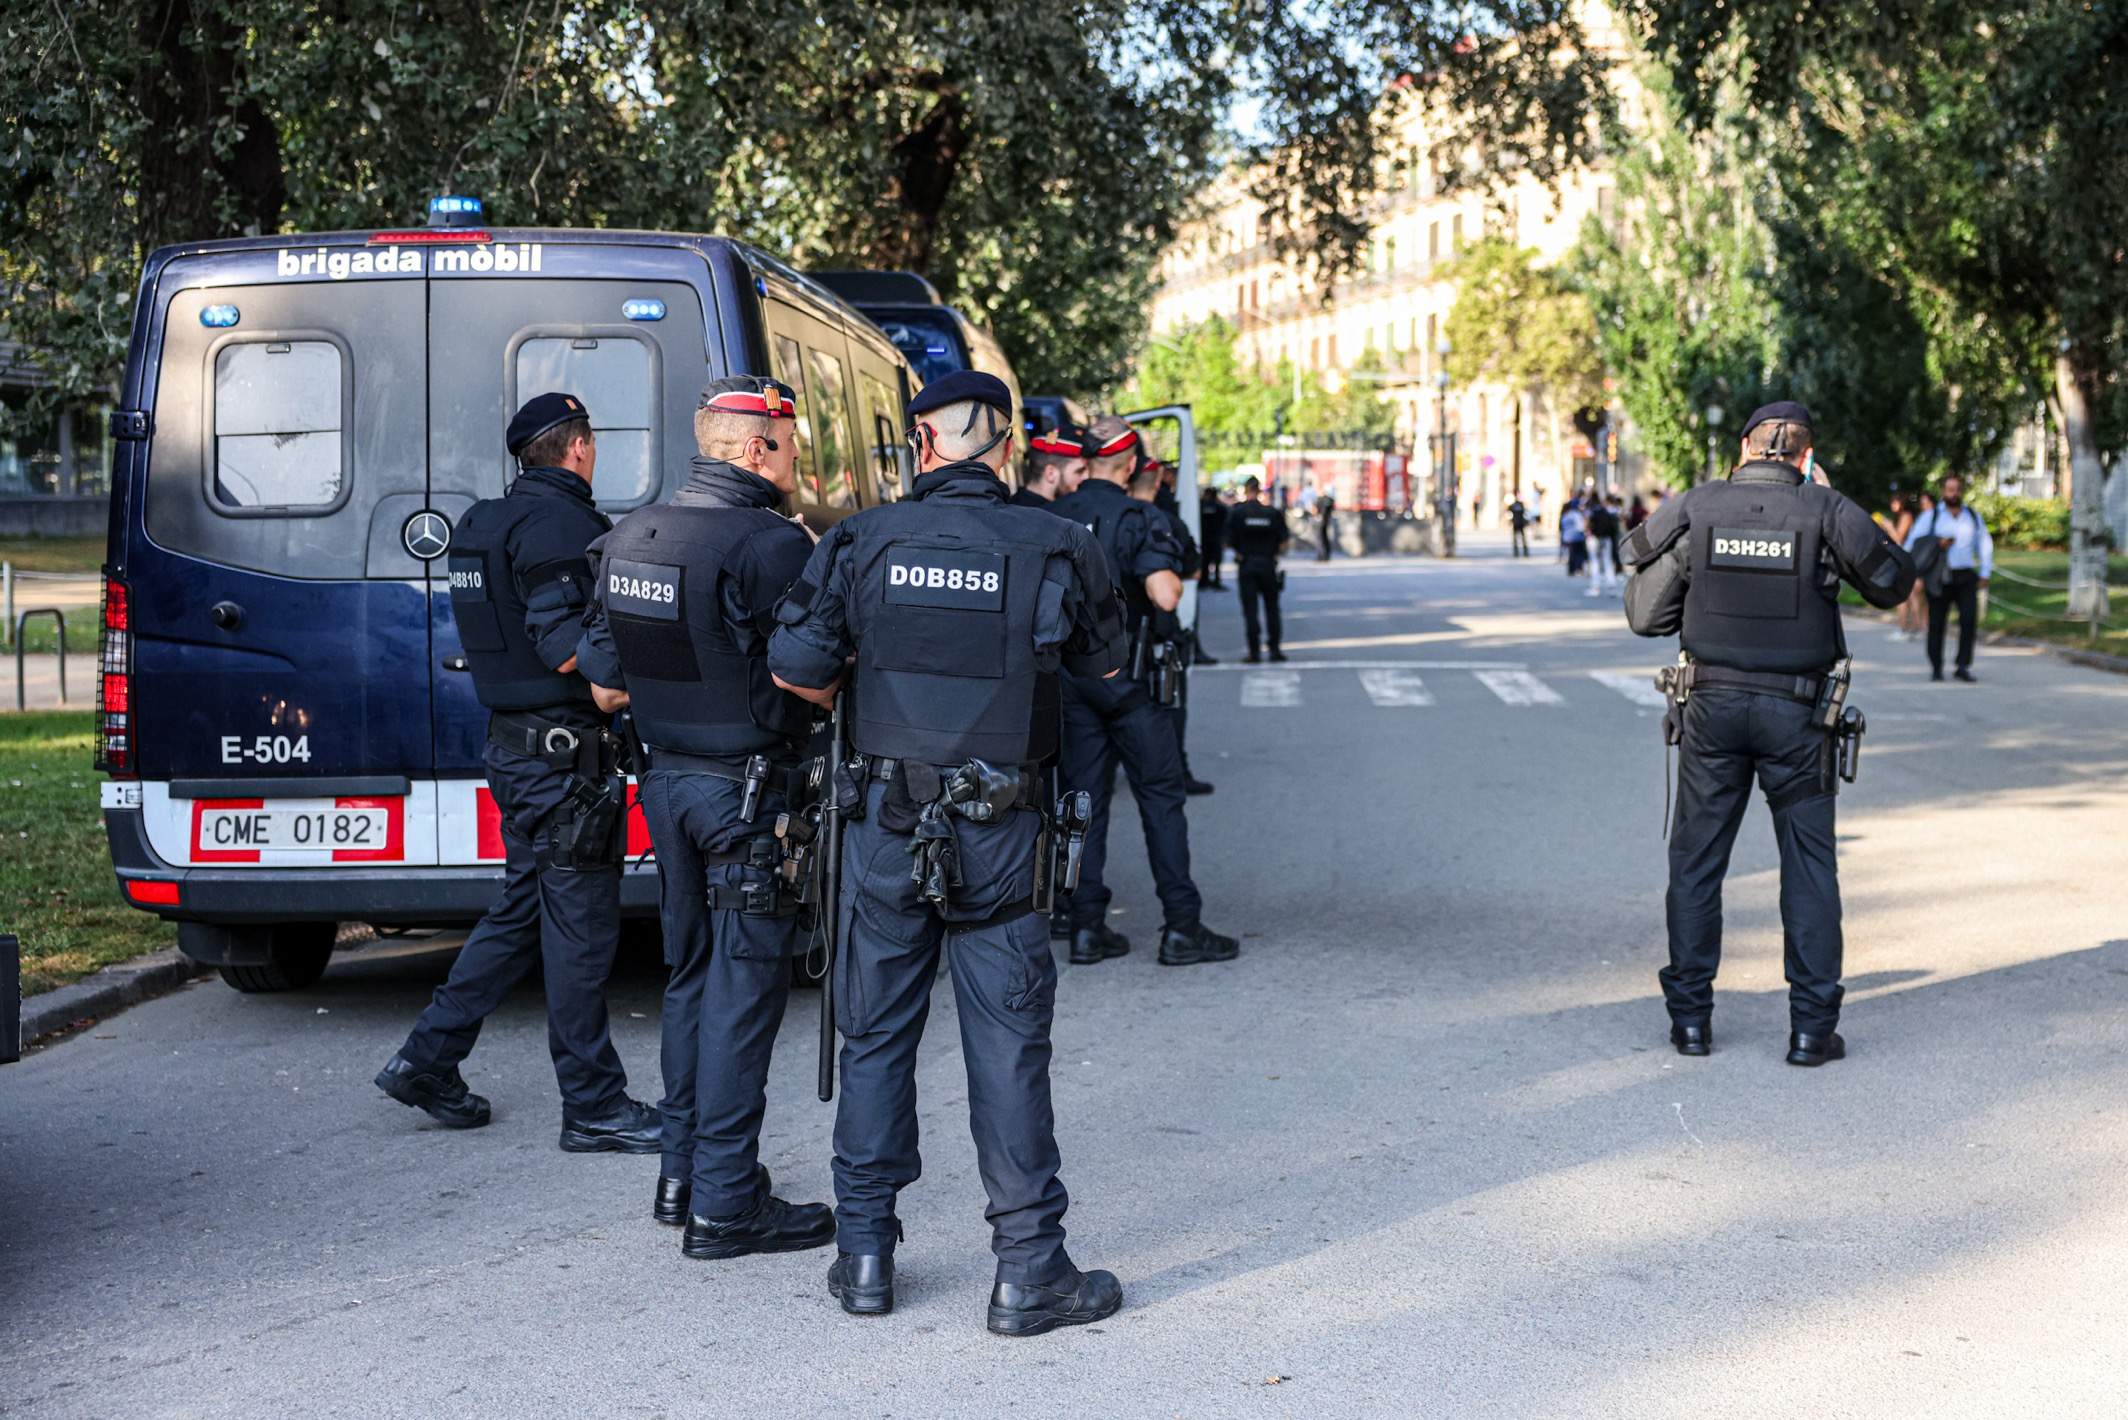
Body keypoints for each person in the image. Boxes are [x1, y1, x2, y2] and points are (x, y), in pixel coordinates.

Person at [767, 370, 1129, 1335]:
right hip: (1005, 833)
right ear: (1005, 448)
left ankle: (866, 1256)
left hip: (883, 828)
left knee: (875, 1036)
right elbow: (1107, 670)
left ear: (921, 447)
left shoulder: (859, 540)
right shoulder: (1059, 544)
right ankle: (1028, 1273)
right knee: (1008, 1048)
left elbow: (795, 676)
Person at [574, 376, 836, 1257]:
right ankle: (728, 1203)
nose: (795, 460)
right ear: (757, 447)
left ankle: (682, 1175)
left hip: (669, 789)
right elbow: (817, 674)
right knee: (744, 991)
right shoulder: (771, 545)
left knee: (691, 981)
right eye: (791, 445)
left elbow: (606, 685)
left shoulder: (631, 535)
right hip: (750, 797)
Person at [374, 393, 659, 1152]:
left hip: (514, 747)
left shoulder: (481, 523)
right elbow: (564, 645)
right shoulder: (563, 526)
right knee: (580, 934)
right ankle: (594, 1105)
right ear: (579, 449)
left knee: (523, 912)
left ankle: (426, 1058)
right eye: (591, 443)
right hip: (566, 759)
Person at [1623, 400, 1915, 1067]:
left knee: (1696, 863)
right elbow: (1894, 583)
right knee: (1809, 869)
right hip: (1800, 714)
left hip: (1712, 707)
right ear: (1806, 457)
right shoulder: (1826, 510)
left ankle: (1690, 1023)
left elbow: (1642, 593)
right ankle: (1812, 1031)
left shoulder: (1700, 503)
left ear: (1745, 448)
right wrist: (1834, 508)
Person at [1051, 417, 1239, 969]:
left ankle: (1086, 927)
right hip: (1130, 684)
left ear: (1085, 462)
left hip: (1070, 681)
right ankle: (1181, 927)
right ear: (1130, 465)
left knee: (1083, 804)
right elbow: (1163, 593)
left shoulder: (1054, 517)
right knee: (1161, 801)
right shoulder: (1140, 517)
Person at [1905, 474, 1993, 682]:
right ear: (1943, 492)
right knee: (1937, 623)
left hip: (1965, 575)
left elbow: (1985, 543)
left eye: (1957, 489)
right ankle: (1936, 666)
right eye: (1949, 489)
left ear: (1961, 491)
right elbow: (1913, 544)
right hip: (1939, 576)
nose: (1954, 493)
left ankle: (1962, 665)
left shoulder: (1971, 515)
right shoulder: (1932, 516)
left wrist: (1985, 572)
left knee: (1969, 621)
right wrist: (1937, 544)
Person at [1228, 475, 1289, 663]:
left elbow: (1230, 542)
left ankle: (1254, 652)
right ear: (1260, 490)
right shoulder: (1272, 513)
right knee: (1272, 609)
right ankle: (1275, 650)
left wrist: (1242, 553)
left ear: (1246, 490)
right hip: (1268, 564)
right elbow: (1284, 542)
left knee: (1250, 610)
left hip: (1247, 565)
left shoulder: (1238, 513)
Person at [1019, 424, 1089, 509]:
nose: (1086, 477)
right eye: (1079, 471)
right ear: (1051, 473)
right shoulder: (1044, 517)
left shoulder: (1015, 507)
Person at [1585, 495, 1621, 595]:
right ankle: (1611, 583)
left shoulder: (1591, 511)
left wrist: (1587, 532)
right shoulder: (1606, 511)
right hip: (1606, 539)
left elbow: (1587, 524)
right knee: (1607, 561)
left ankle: (1595, 586)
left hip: (1594, 538)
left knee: (1595, 562)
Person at [1199, 485, 1229, 589]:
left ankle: (1204, 581)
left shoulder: (1200, 506)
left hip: (1204, 538)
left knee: (1205, 560)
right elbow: (1226, 523)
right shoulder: (1221, 507)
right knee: (1217, 561)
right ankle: (1216, 581)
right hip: (1216, 538)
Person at [1560, 496, 1588, 576]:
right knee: (1579, 554)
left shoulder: (1566, 514)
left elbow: (1563, 525)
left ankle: (1571, 570)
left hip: (1568, 537)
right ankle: (1578, 569)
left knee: (1571, 554)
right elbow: (1580, 527)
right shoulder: (1577, 515)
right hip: (1577, 537)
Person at [1315, 487, 1337, 561]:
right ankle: (1325, 555)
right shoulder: (1329, 500)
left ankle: (1322, 555)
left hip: (1322, 521)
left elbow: (1320, 510)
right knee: (1324, 538)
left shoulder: (1324, 500)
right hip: (1325, 521)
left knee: (1320, 538)